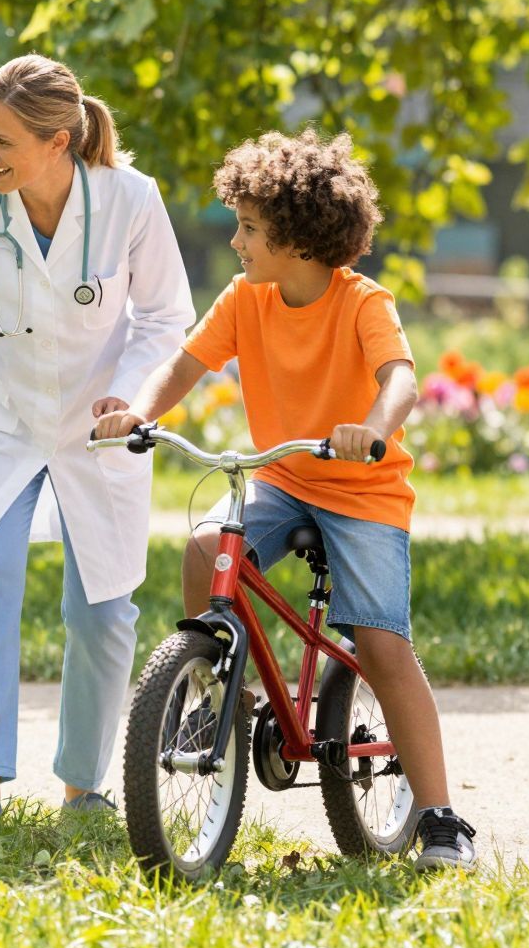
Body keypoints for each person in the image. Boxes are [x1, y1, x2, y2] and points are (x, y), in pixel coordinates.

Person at [94, 129, 478, 869]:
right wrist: (142, 412)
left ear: (298, 242)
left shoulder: (364, 302)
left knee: (380, 644)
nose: (236, 240)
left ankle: (439, 817)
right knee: (208, 547)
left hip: (362, 490)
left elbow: (398, 375)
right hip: (286, 478)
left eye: (249, 229)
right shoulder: (246, 298)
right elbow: (183, 365)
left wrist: (373, 426)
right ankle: (220, 693)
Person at [0, 55, 193, 825]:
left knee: (102, 607)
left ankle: (83, 788)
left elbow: (166, 320)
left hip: (99, 425)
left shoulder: (131, 199)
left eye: (2, 142)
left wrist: (132, 397)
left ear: (58, 142)